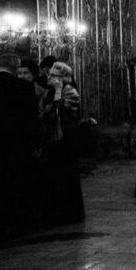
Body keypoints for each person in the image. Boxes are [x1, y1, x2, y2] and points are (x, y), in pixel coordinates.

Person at [0, 53, 39, 239]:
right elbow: (31, 119)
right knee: (16, 183)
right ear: (15, 68)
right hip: (17, 145)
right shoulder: (24, 87)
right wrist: (35, 144)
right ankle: (16, 223)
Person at [41, 61, 84, 225]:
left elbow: (62, 111)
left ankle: (70, 213)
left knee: (67, 173)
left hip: (67, 137)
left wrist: (59, 91)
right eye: (49, 74)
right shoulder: (49, 93)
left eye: (53, 75)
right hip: (53, 137)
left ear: (63, 78)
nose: (49, 78)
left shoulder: (70, 91)